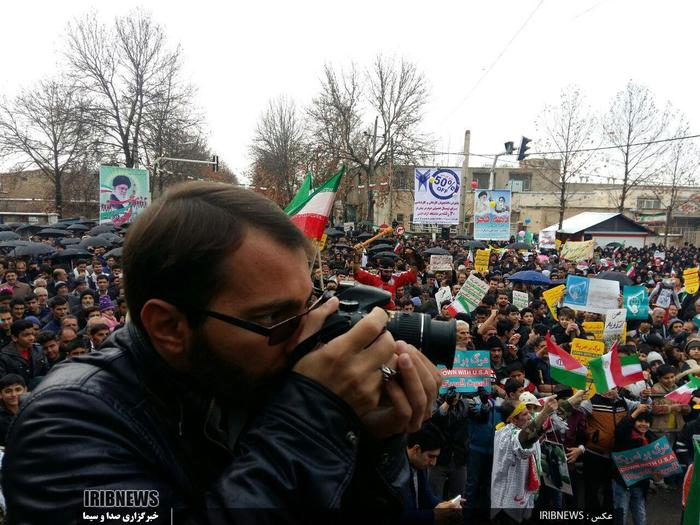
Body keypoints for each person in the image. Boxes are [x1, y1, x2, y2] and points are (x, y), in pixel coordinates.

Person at [3, 182, 441, 523]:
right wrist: (314, 415)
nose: (307, 332)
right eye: (274, 317)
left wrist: (371, 441)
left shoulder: (255, 377)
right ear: (170, 327)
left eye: (310, 303)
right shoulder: (63, 429)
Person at [402, 422, 462, 522]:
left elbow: (427, 496)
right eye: (431, 456)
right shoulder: (396, 472)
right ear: (416, 449)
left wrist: (447, 506)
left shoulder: (419, 465)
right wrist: (432, 515)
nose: (433, 463)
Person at [612, 404, 658, 525]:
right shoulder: (625, 435)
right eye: (640, 421)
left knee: (640, 515)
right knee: (621, 514)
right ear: (633, 421)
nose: (643, 424)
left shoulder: (651, 438)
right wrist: (636, 411)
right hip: (622, 482)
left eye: (647, 422)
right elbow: (620, 429)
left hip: (641, 483)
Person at [0, 373, 27, 446]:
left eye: (18, 390)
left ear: (25, 390)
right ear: (0, 394)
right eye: (8, 391)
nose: (14, 394)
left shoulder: (34, 409)